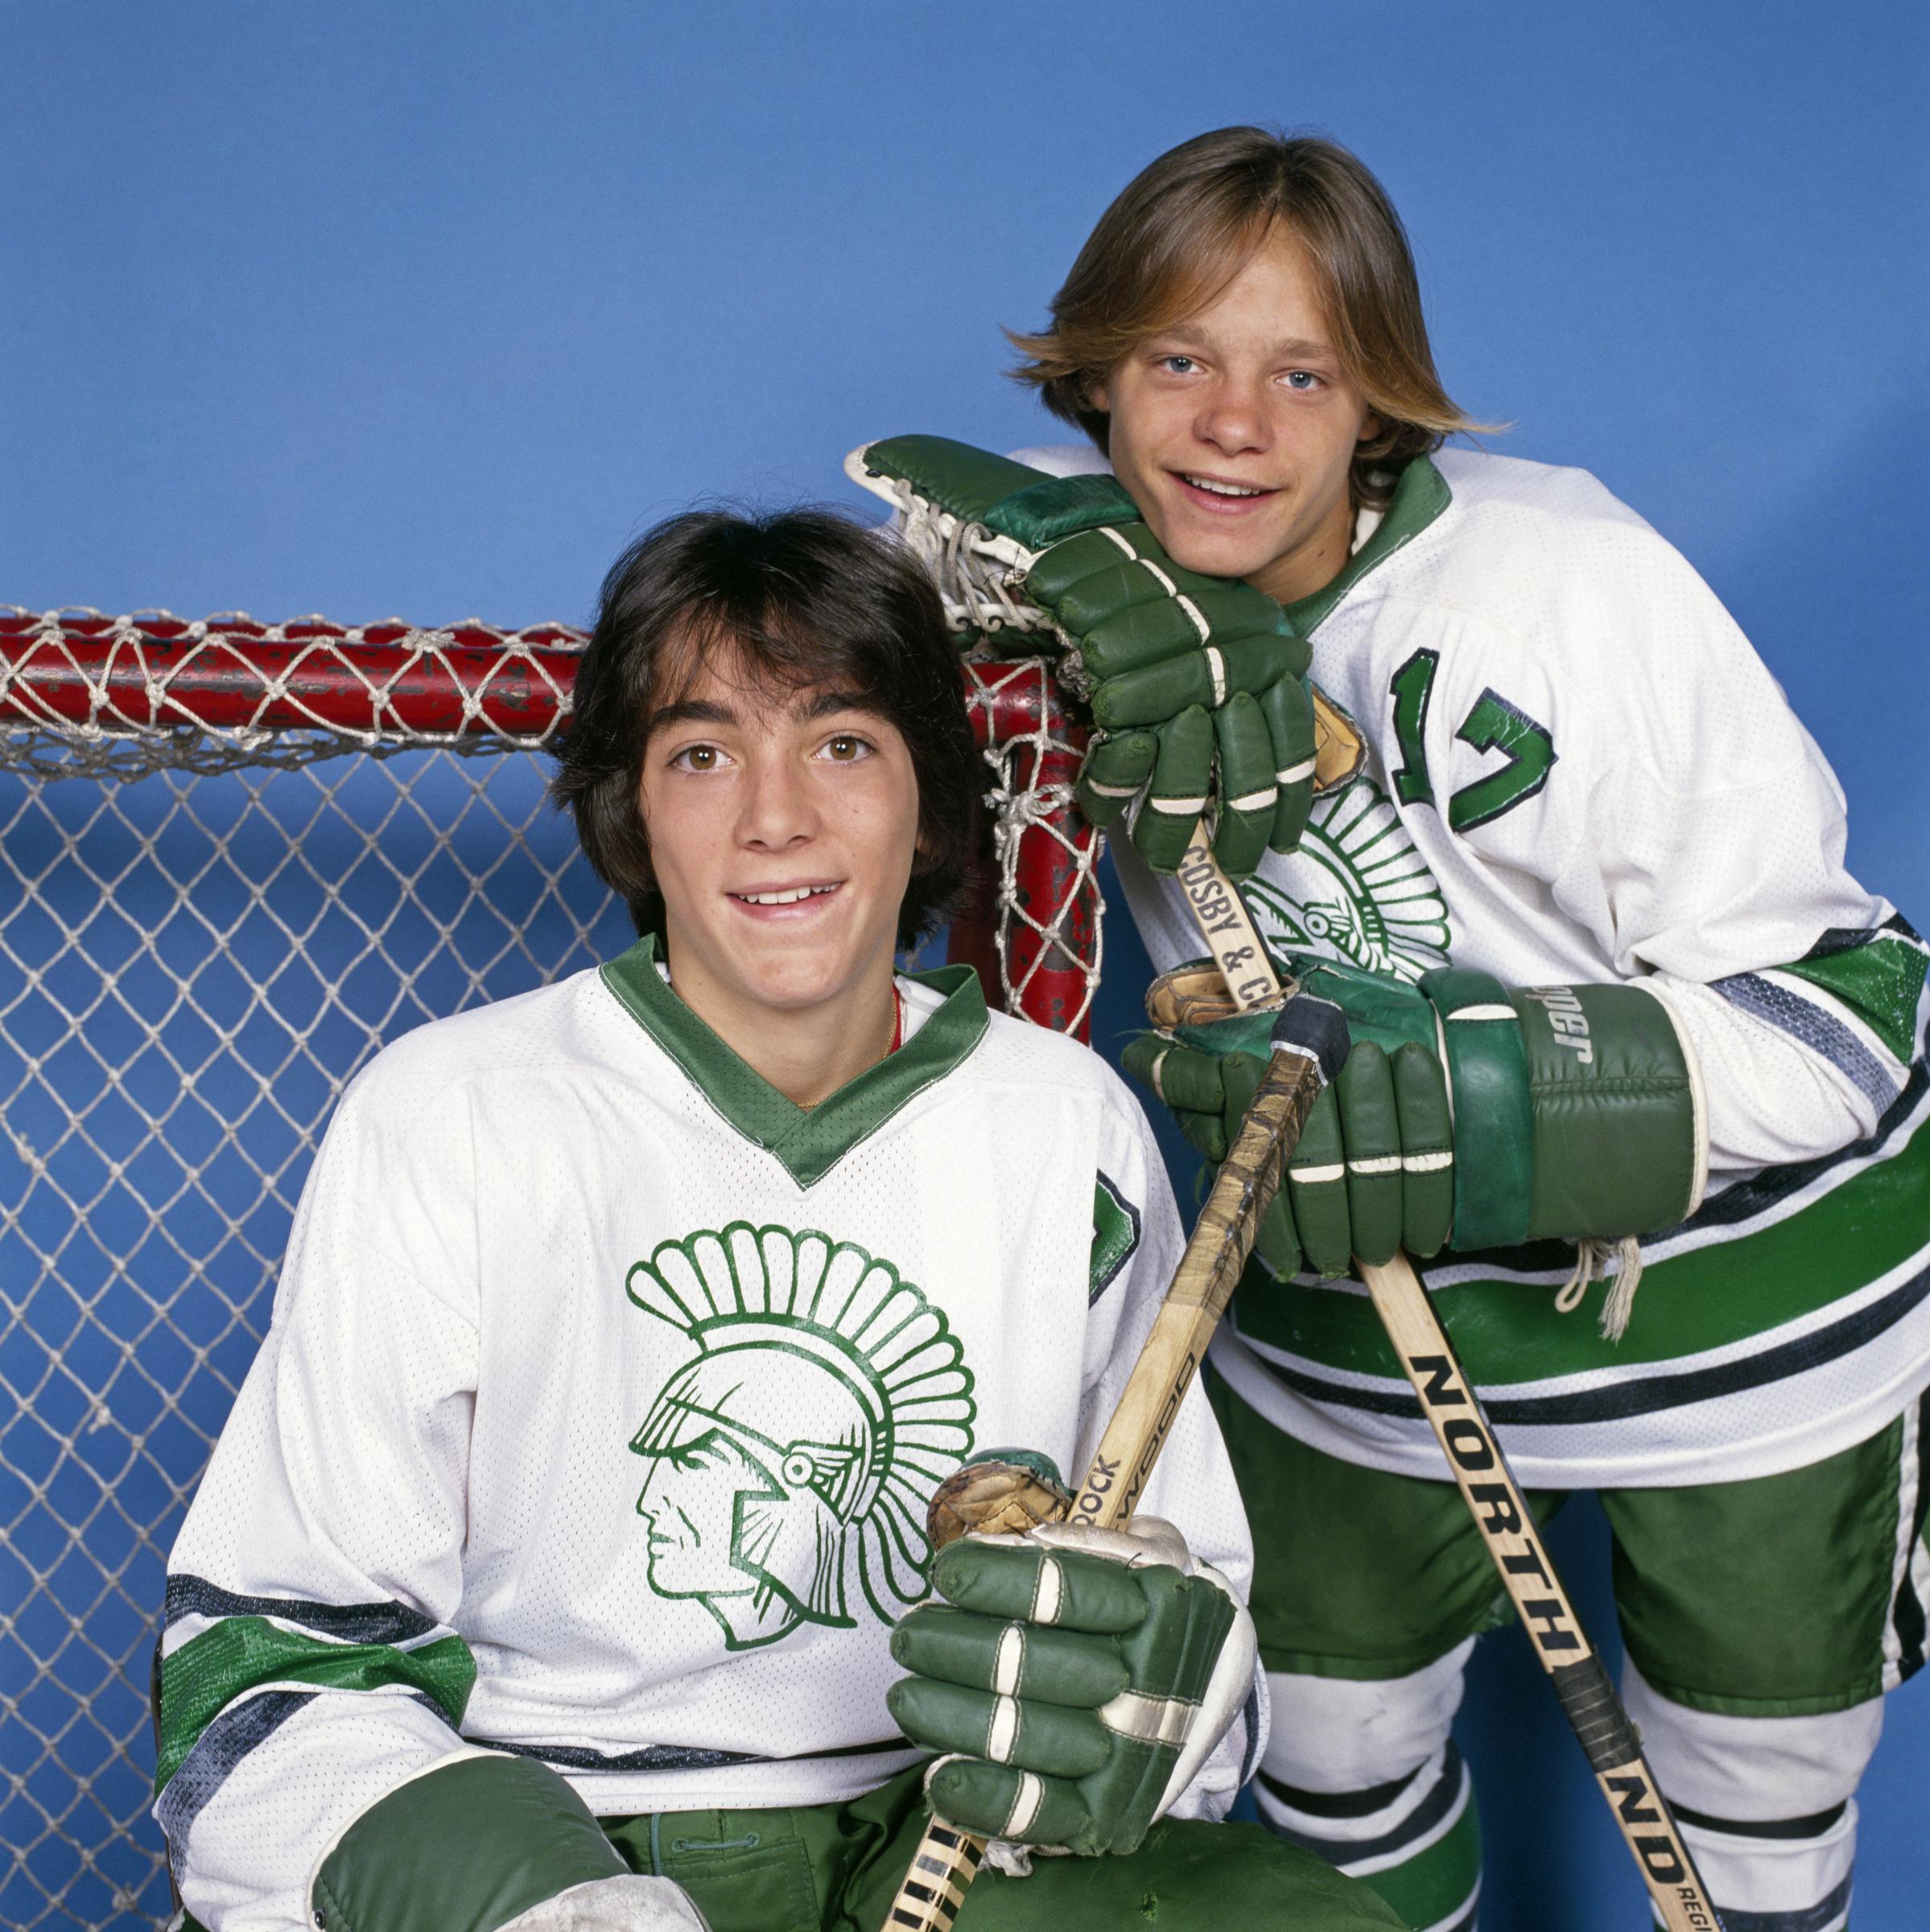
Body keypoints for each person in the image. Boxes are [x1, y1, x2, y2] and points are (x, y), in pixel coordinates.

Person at [852, 127, 1930, 1932]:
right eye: (1177, 361)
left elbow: (1847, 1024)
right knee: (1326, 1761)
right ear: (1098, 375)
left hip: (1743, 1314)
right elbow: (868, 541)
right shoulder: (1082, 568)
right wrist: (1061, 540)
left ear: (1377, 407)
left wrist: (1479, 1103)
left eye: (1302, 373)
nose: (1230, 425)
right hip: (1344, 1319)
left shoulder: (1568, 581)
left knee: (1756, 1800)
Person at [150, 506, 1404, 1932]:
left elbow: (1192, 1598)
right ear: (632, 811)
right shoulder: (454, 1112)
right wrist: (531, 1901)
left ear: (931, 794)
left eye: (842, 743)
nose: (775, 815)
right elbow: (266, 1658)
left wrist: (1131, 1707)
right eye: (701, 754)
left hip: (933, 1837)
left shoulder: (1062, 1123)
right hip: (560, 1824)